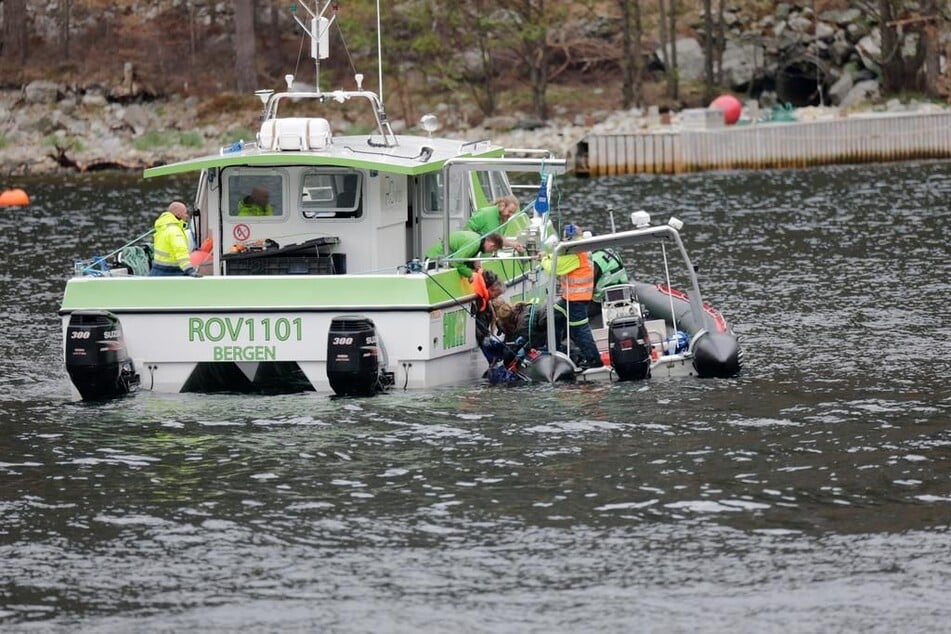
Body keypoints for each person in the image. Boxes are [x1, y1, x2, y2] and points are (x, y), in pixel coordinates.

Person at [542, 223, 602, 368]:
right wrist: (548, 255)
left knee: (580, 331)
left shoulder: (575, 255)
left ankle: (595, 362)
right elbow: (559, 258)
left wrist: (544, 259)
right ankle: (555, 349)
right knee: (554, 315)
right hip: (570, 298)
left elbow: (553, 268)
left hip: (577, 300)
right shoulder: (579, 250)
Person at [424, 230, 504, 281]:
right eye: (493, 250)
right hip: (435, 261)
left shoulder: (477, 238)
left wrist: (473, 266)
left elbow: (464, 257)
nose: (490, 252)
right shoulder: (474, 244)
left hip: (437, 257)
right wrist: (470, 274)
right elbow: (456, 262)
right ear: (491, 245)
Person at [149, 201, 202, 277]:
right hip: (170, 272)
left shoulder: (163, 227)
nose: (186, 216)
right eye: (185, 213)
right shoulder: (175, 230)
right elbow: (180, 251)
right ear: (178, 214)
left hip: (156, 270)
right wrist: (189, 270)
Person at [588, 247, 630, 319]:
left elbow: (589, 287)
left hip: (602, 301)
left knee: (574, 312)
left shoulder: (595, 261)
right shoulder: (608, 250)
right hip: (623, 293)